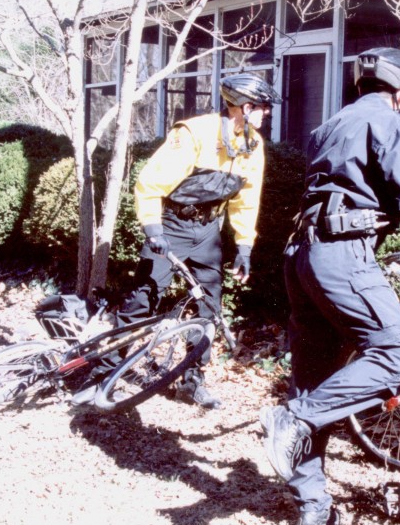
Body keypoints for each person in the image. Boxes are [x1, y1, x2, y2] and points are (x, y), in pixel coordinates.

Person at [259, 47, 400, 525]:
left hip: (302, 256)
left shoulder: (329, 126)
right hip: (341, 254)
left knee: (313, 377)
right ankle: (293, 419)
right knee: (396, 356)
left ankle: (312, 504)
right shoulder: (387, 120)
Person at [71, 72, 280, 409]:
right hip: (172, 225)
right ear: (244, 106)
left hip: (208, 232)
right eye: (262, 107)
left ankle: (192, 381)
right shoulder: (195, 133)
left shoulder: (252, 145)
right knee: (143, 300)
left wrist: (244, 246)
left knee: (208, 308)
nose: (266, 113)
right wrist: (154, 229)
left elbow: (246, 199)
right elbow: (150, 182)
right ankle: (101, 377)